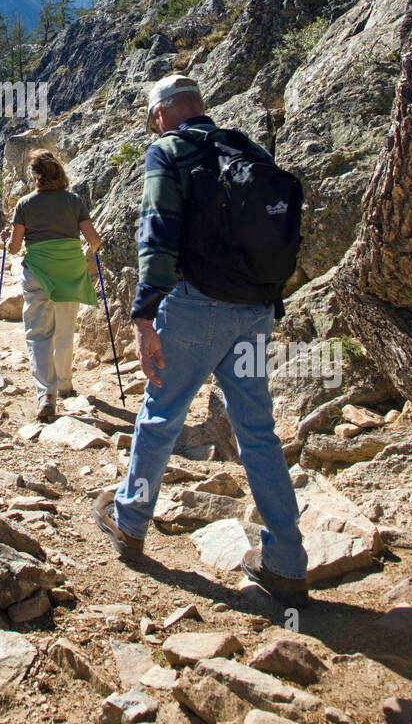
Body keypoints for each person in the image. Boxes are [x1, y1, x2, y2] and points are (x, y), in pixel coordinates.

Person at [93, 74, 309, 608]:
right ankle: (287, 562)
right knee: (258, 431)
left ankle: (130, 521)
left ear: (161, 113)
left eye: (151, 119)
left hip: (193, 306)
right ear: (201, 106)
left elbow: (158, 232)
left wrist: (144, 318)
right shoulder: (245, 145)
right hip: (257, 310)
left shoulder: (166, 152)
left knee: (162, 413)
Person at [1, 150, 103, 423]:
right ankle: (65, 385)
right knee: (65, 329)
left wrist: (5, 239)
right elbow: (94, 240)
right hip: (69, 271)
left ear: (35, 176)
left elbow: (13, 249)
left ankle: (46, 395)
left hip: (38, 272)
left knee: (38, 333)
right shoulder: (74, 201)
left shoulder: (24, 204)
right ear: (59, 171)